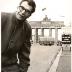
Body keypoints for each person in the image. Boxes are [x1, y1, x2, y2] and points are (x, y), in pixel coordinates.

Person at [1, 0, 36, 72]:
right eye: (22, 8)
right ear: (18, 7)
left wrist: (22, 70)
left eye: (27, 11)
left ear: (29, 15)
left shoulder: (27, 28)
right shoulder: (2, 17)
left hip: (10, 67)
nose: (23, 12)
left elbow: (24, 55)